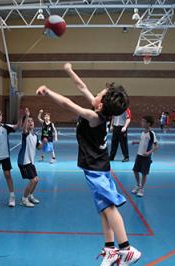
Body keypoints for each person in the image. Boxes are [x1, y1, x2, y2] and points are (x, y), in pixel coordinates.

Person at [36, 62, 141, 266]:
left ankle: (126, 250)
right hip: (95, 168)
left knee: (109, 208)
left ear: (100, 105)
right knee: (103, 208)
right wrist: (69, 71)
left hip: (97, 170)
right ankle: (110, 249)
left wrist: (48, 91)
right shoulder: (101, 111)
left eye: (99, 94)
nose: (95, 94)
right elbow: (81, 87)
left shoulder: (94, 117)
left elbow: (67, 104)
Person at [18, 114, 42, 207]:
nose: (30, 122)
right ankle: (24, 200)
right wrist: (26, 116)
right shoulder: (26, 134)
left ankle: (30, 196)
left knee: (36, 180)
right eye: (28, 121)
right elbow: (24, 129)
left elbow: (39, 148)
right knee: (33, 180)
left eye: (31, 121)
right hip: (23, 162)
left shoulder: (35, 135)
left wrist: (43, 142)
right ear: (25, 124)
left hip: (30, 162)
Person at [131, 116, 159, 197]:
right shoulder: (143, 132)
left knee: (144, 173)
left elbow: (156, 146)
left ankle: (141, 188)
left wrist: (149, 152)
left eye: (143, 121)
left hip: (146, 157)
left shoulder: (151, 133)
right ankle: (138, 185)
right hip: (139, 155)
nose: (141, 123)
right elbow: (142, 141)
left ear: (148, 123)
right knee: (135, 171)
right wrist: (136, 142)